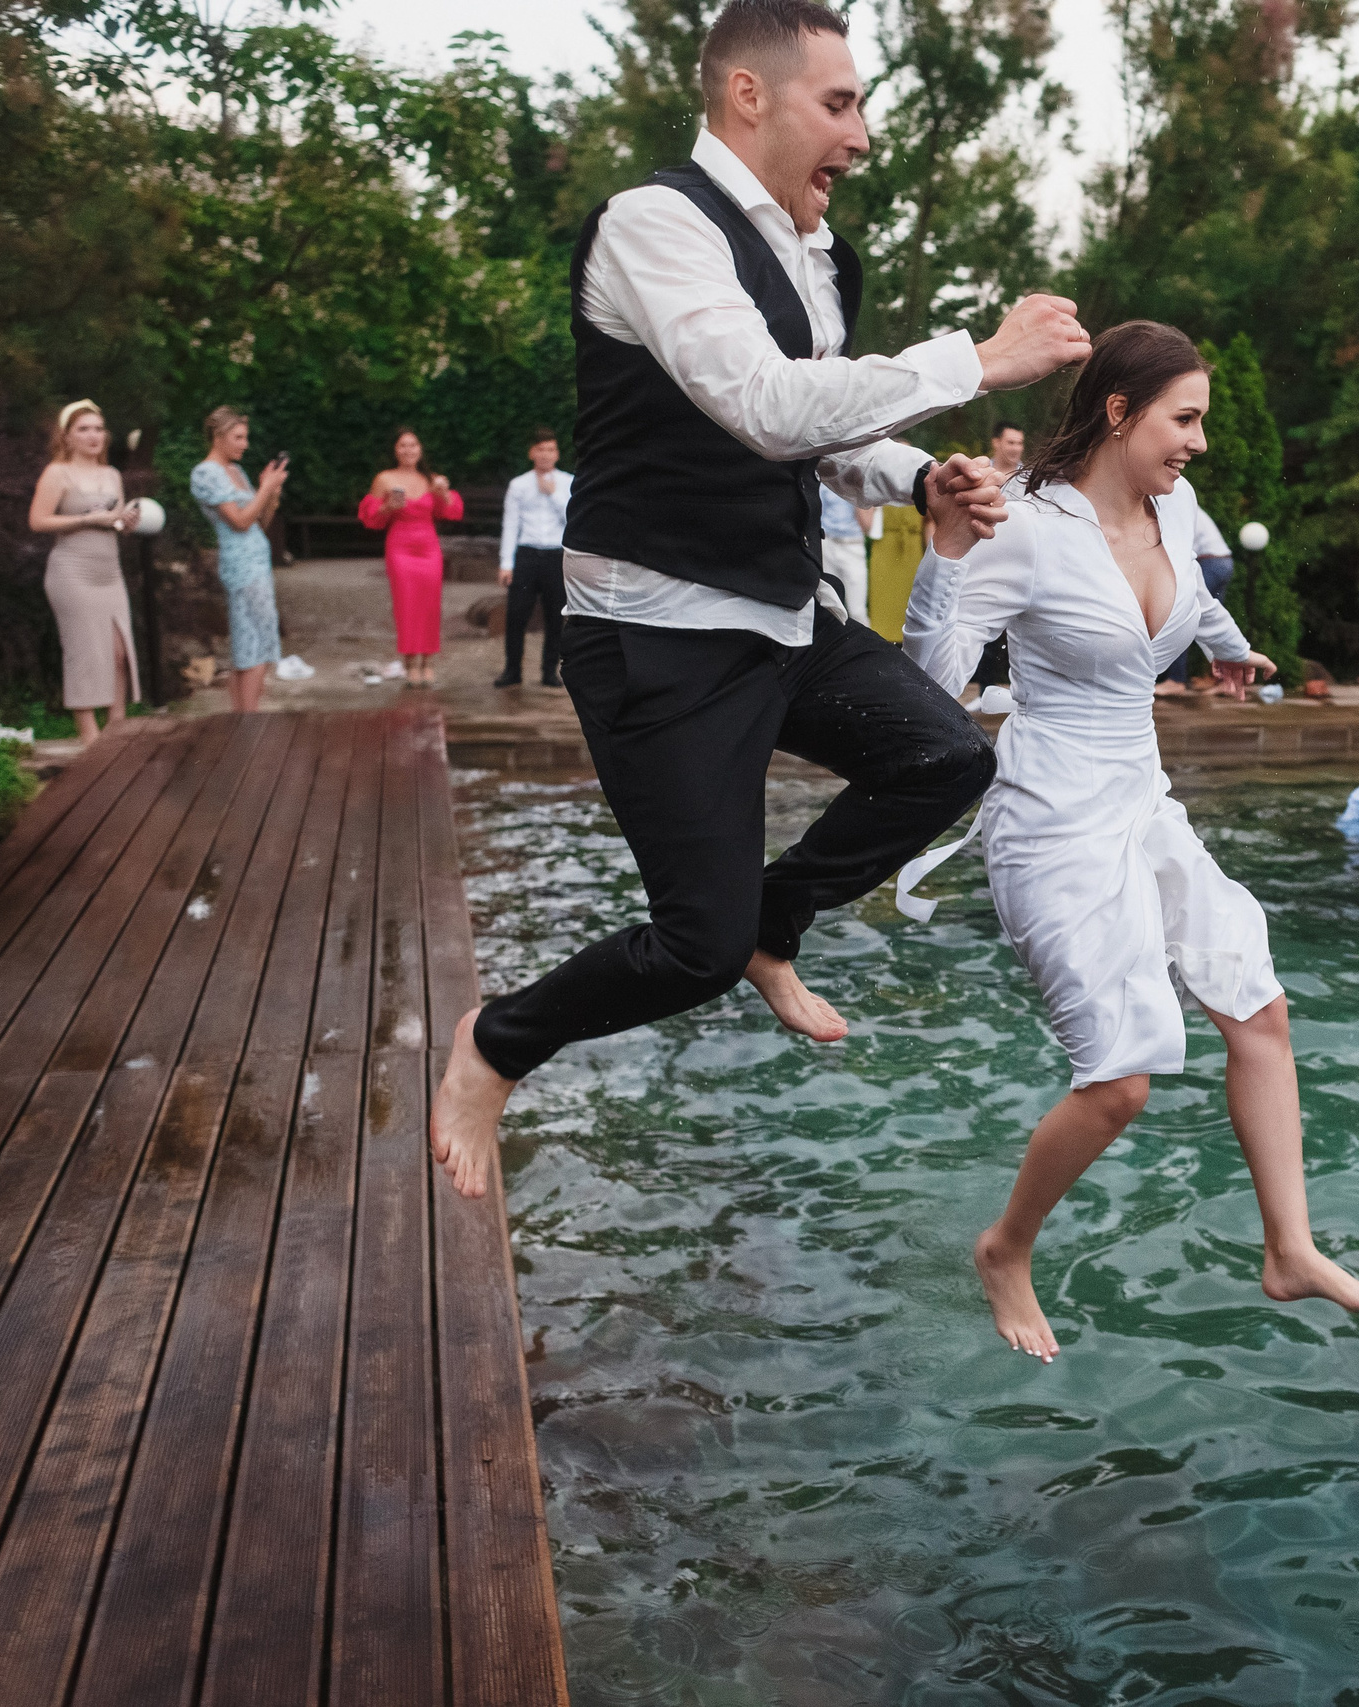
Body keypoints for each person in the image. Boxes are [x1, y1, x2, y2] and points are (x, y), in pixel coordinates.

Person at [427, 0, 1091, 1202]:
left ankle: (774, 925)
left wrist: (911, 473)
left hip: (783, 614)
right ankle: (495, 1045)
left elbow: (814, 429)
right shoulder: (652, 225)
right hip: (660, 632)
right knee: (689, 947)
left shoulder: (814, 254)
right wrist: (978, 361)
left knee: (943, 761)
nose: (863, 132)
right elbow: (764, 405)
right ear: (748, 95)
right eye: (839, 102)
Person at [898, 320, 1359, 1361]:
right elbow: (932, 678)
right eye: (1186, 419)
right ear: (1118, 412)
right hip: (1049, 818)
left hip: (1142, 800)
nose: (1200, 444)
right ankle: (1004, 1248)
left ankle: (1289, 1249)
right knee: (1121, 1079)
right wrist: (945, 551)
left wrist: (1232, 653)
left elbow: (1192, 607)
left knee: (1258, 1009)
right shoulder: (1027, 530)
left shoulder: (1174, 514)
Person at [26, 400, 141, 745]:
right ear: (67, 436)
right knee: (84, 650)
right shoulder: (57, 473)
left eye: (98, 429)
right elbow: (38, 520)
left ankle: (116, 727)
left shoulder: (112, 475)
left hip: (109, 572)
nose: (93, 436)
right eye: (84, 429)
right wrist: (86, 519)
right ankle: (89, 736)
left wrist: (126, 523)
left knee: (119, 650)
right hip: (72, 572)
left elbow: (116, 521)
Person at [188, 407, 286, 713]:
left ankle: (243, 716)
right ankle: (249, 719)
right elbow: (239, 522)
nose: (245, 444)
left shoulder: (236, 471)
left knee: (255, 641)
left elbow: (260, 523)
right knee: (254, 645)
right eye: (238, 437)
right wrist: (265, 488)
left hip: (258, 558)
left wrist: (271, 495)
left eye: (246, 437)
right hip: (241, 565)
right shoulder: (206, 473)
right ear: (218, 437)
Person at [359, 427, 461, 688]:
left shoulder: (432, 479)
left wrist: (443, 493)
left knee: (430, 604)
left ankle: (428, 661)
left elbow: (450, 512)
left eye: (413, 445)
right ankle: (409, 662)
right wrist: (387, 507)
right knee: (407, 604)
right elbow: (371, 518)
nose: (408, 450)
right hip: (400, 546)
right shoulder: (384, 478)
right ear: (395, 450)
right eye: (403, 446)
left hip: (428, 546)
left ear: (420, 449)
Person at [495, 427, 571, 688]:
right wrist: (506, 563)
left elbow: (573, 520)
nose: (545, 455)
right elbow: (510, 525)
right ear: (531, 453)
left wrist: (554, 494)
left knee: (555, 617)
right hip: (527, 555)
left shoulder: (567, 482)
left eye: (550, 449)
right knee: (516, 615)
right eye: (540, 449)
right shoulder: (519, 484)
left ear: (557, 453)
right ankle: (512, 669)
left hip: (555, 554)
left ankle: (550, 671)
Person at [967, 421, 1027, 699]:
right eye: (1010, 442)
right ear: (996, 443)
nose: (1015, 448)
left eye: (1019, 443)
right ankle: (985, 692)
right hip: (985, 554)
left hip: (1021, 559)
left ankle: (1021, 693)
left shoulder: (1030, 477)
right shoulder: (980, 474)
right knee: (984, 623)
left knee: (1022, 627)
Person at [1157, 496, 1235, 693]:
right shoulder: (1182, 502)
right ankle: (1225, 681)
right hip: (1223, 561)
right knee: (1213, 621)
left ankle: (1176, 680)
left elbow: (1175, 549)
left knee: (1181, 618)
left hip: (1209, 562)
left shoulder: (1171, 506)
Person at [819, 484, 878, 622]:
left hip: (853, 546)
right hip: (828, 543)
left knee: (856, 610)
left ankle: (863, 644)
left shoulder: (861, 484)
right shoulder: (825, 483)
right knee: (828, 607)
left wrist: (858, 495)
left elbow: (867, 526)